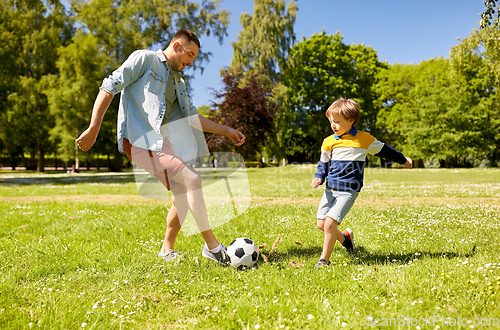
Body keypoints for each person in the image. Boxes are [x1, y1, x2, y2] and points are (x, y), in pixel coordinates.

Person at [76, 30, 245, 265]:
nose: (191, 61)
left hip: (160, 143)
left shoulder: (178, 81)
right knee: (193, 180)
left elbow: (192, 117)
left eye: (195, 57)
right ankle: (213, 248)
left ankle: (167, 249)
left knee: (183, 193)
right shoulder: (144, 59)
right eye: (190, 54)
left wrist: (226, 130)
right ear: (176, 46)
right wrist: (94, 128)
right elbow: (109, 86)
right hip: (138, 138)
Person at [311, 98, 413, 268]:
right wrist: (319, 177)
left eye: (337, 121)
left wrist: (403, 160)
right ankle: (346, 239)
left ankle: (324, 260)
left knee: (329, 223)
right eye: (331, 121)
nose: (333, 125)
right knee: (321, 224)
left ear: (351, 120)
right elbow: (324, 164)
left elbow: (386, 151)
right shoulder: (328, 141)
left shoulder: (364, 139)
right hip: (330, 189)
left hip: (348, 190)